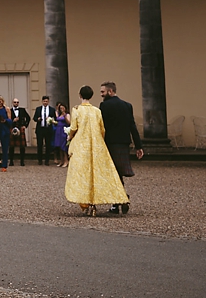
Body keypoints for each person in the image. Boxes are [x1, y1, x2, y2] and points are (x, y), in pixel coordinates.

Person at [66, 85, 129, 216]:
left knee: (82, 174)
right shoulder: (96, 110)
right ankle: (103, 199)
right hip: (96, 145)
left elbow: (73, 127)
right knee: (98, 173)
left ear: (79, 95)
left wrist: (70, 136)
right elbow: (102, 129)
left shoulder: (76, 110)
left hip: (82, 145)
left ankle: (86, 201)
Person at [99, 82, 145, 214]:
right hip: (124, 144)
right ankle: (120, 200)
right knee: (118, 173)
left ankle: (120, 200)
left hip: (110, 143)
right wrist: (138, 146)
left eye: (103, 92)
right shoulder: (127, 105)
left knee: (113, 173)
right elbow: (132, 126)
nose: (101, 94)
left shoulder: (104, 106)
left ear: (110, 91)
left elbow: (102, 126)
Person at [33, 95, 56, 165]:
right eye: (44, 101)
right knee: (39, 145)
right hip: (40, 129)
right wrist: (38, 119)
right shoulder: (38, 109)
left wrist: (51, 120)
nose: (45, 102)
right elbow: (34, 118)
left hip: (48, 129)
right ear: (42, 101)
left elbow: (55, 118)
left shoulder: (52, 109)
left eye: (46, 101)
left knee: (48, 145)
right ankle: (40, 160)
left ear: (48, 102)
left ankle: (47, 160)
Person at [9, 97, 30, 166]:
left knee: (22, 146)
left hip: (20, 128)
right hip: (12, 128)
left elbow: (28, 118)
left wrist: (25, 125)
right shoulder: (10, 110)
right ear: (12, 103)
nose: (16, 103)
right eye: (15, 102)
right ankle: (11, 161)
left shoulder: (22, 110)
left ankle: (22, 161)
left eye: (17, 102)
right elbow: (7, 119)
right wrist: (12, 121)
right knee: (11, 146)